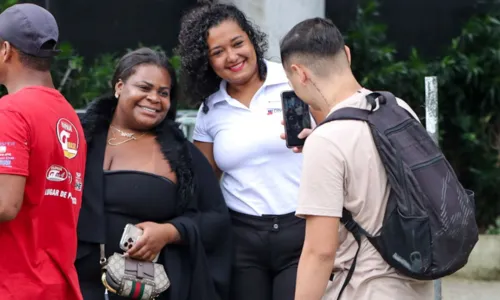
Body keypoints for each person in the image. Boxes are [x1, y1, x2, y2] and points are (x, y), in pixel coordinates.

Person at [279, 18, 433, 300]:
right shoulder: (397, 108)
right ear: (347, 54)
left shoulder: (325, 142)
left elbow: (320, 252)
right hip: (415, 285)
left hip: (363, 290)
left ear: (299, 73)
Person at [177, 3, 322, 300]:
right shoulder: (210, 108)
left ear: (252, 40)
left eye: (237, 43)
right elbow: (203, 182)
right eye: (217, 52)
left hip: (302, 230)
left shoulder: (295, 79)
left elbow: (340, 134)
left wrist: (318, 138)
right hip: (241, 238)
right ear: (207, 61)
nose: (232, 57)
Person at [75, 47, 232, 300]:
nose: (154, 98)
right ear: (119, 87)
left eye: (163, 93)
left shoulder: (183, 156)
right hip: (78, 284)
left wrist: (170, 232)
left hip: (147, 288)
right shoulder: (79, 140)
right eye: (144, 88)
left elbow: (216, 220)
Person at [0, 4, 87, 300]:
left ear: (5, 50)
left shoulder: (10, 111)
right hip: (58, 285)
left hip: (14, 285)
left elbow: (4, 205)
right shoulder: (70, 117)